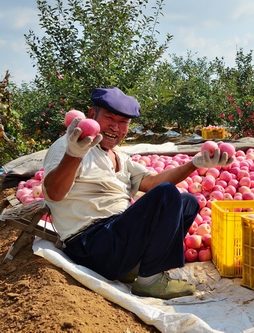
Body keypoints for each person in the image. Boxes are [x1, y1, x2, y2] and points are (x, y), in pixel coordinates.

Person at [41, 87, 232, 300]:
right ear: (92, 115)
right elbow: (54, 193)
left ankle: (136, 267)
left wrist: (195, 163)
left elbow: (152, 182)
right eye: (109, 118)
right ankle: (150, 280)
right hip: (89, 246)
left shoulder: (118, 156)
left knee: (187, 201)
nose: (115, 127)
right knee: (167, 194)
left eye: (123, 122)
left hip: (114, 239)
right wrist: (74, 154)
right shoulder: (71, 145)